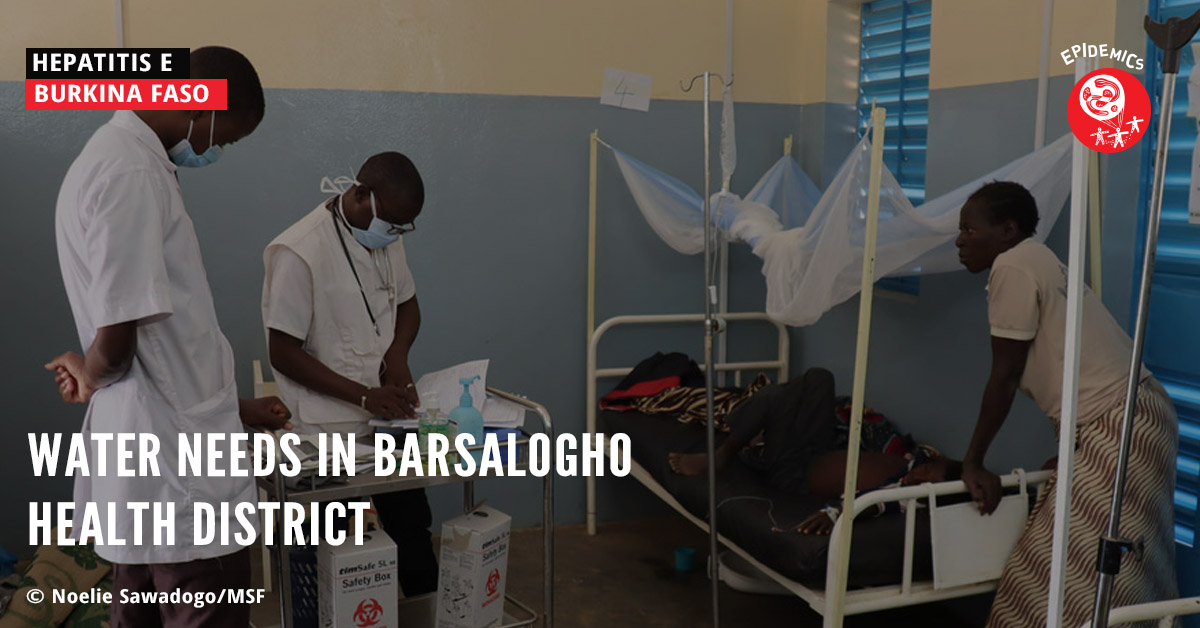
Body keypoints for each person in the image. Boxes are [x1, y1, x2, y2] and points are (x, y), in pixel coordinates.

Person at [44, 47, 290, 628]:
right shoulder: (128, 172)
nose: (216, 151)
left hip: (161, 441)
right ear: (197, 106)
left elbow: (165, 340)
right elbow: (122, 334)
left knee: (141, 602)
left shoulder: (127, 160)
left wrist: (237, 408)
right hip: (173, 462)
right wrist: (89, 371)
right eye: (223, 137)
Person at [955, 181, 1178, 627]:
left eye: (969, 230)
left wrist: (973, 462)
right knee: (1105, 574)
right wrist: (1077, 445)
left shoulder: (1014, 266)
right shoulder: (1035, 259)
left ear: (1007, 230)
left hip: (1122, 424)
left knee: (1071, 577)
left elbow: (1004, 376)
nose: (960, 241)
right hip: (1130, 418)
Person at [261, 152, 438, 595]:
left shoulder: (384, 234)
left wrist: (397, 356)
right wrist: (362, 395)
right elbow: (282, 351)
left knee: (412, 531)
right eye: (392, 223)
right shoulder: (299, 252)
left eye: (403, 227)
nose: (395, 234)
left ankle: (423, 607)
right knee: (339, 553)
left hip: (386, 420)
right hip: (327, 431)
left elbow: (407, 304)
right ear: (360, 195)